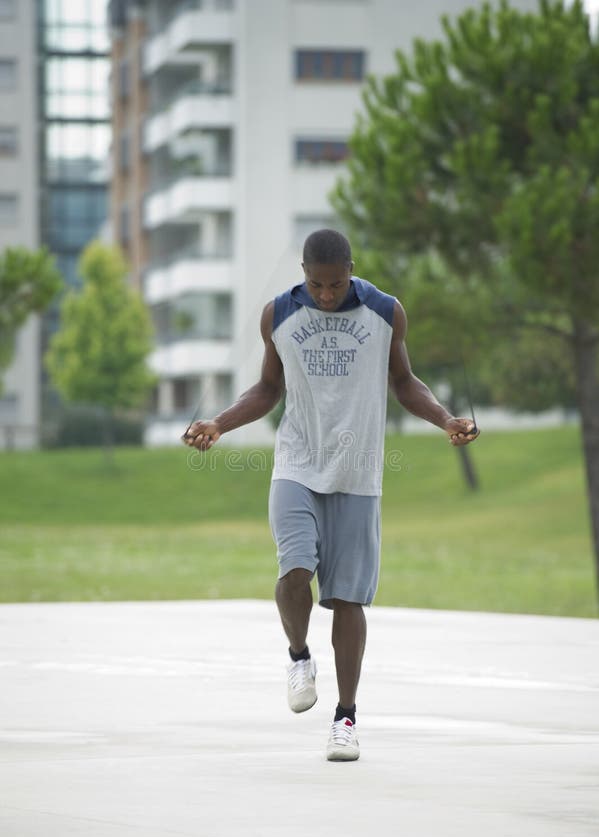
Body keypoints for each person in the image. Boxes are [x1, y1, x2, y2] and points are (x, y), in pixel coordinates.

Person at [183, 229, 479, 762]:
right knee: (295, 570)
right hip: (297, 464)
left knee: (347, 599)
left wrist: (444, 419)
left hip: (358, 475)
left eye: (335, 284)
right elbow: (268, 388)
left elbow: (404, 382)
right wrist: (219, 423)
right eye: (316, 284)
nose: (325, 294)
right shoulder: (279, 315)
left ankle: (345, 718)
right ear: (303, 272)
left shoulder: (385, 312)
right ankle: (299, 656)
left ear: (351, 271)